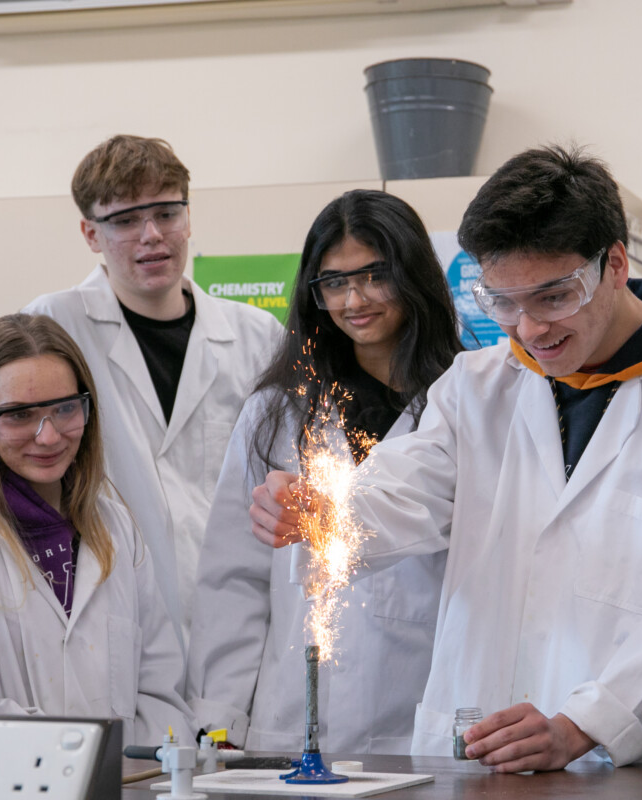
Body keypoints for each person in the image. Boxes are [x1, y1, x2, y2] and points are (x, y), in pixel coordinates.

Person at [252, 146, 642, 771]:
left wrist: (587, 724)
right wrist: (326, 510)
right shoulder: (478, 385)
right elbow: (405, 487)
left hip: (635, 762)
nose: (530, 329)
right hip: (479, 748)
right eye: (503, 302)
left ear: (615, 264)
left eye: (554, 296)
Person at [185, 189, 462, 752]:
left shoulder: (463, 401)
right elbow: (234, 579)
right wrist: (221, 720)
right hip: (295, 712)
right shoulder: (276, 411)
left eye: (375, 275)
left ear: (413, 274)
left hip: (421, 710)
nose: (354, 299)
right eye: (334, 281)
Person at [25, 135, 281, 641]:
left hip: (237, 615)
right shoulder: (53, 326)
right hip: (105, 609)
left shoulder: (258, 337)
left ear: (188, 216)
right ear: (90, 233)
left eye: (166, 213)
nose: (152, 236)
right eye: (125, 220)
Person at [0, 314, 193, 745]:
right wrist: (73, 757)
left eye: (64, 409)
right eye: (19, 415)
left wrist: (137, 770)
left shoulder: (115, 526)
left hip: (123, 778)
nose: (48, 436)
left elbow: (159, 693)